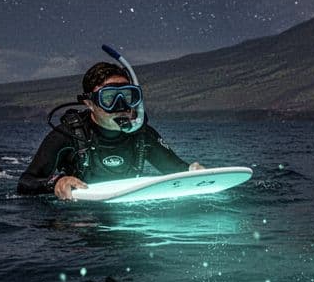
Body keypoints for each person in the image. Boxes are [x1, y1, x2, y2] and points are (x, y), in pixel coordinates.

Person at [17, 61, 202, 198]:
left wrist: (192, 170)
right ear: (89, 103)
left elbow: (177, 170)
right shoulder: (66, 136)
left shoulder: (144, 136)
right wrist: (56, 182)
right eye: (109, 98)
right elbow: (26, 182)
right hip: (77, 222)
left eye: (128, 96)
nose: (121, 105)